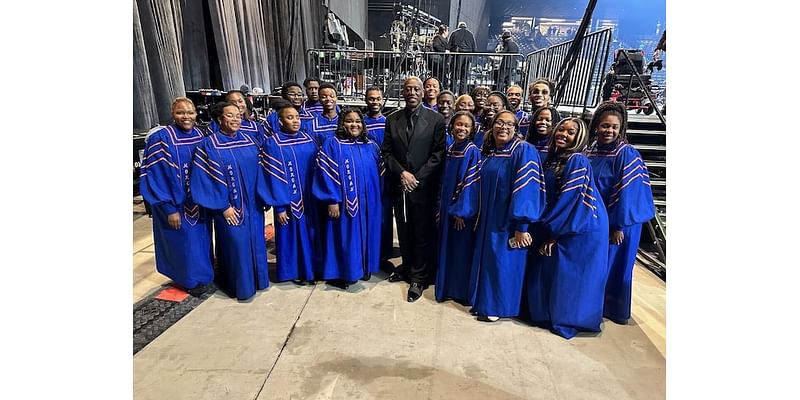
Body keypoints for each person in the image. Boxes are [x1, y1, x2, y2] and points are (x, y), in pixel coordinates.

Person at [525, 117, 609, 339]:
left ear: (579, 138)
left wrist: (555, 233)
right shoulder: (555, 158)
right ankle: (546, 313)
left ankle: (565, 318)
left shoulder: (577, 160)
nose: (563, 134)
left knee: (567, 276)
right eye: (561, 129)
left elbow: (571, 200)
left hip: (578, 227)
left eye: (570, 132)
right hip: (564, 222)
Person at [467, 110, 546, 322]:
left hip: (508, 222)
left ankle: (499, 306)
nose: (503, 127)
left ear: (516, 128)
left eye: (509, 124)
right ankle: (483, 300)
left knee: (503, 262)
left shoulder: (523, 151)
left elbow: (527, 191)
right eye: (499, 123)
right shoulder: (492, 152)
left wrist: (522, 226)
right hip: (489, 220)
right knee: (490, 260)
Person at [190, 102, 272, 301]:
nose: (235, 119)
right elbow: (204, 179)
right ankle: (238, 286)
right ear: (219, 119)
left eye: (238, 115)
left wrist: (264, 196)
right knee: (236, 245)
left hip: (253, 206)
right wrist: (223, 206)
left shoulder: (249, 140)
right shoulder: (209, 145)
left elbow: (261, 171)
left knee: (256, 243)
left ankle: (258, 281)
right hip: (229, 207)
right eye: (230, 115)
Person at [586, 102, 656, 324]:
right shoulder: (590, 151)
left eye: (615, 127)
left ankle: (614, 311)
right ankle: (593, 308)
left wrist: (617, 225)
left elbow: (629, 193)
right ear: (596, 126)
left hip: (620, 223)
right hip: (597, 221)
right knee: (596, 267)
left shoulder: (627, 154)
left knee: (614, 267)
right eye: (605, 126)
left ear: (621, 128)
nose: (610, 131)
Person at [139, 97, 214, 296]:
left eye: (190, 112)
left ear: (196, 114)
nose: (186, 117)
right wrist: (168, 208)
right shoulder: (162, 138)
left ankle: (203, 276)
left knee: (201, 241)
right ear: (173, 114)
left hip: (199, 203)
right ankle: (187, 280)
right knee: (182, 243)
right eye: (180, 113)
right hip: (175, 203)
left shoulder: (200, 134)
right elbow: (156, 175)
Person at [382, 76, 446, 303]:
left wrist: (416, 179)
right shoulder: (392, 120)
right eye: (407, 89)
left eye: (416, 89)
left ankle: (418, 277)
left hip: (423, 187)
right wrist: (402, 174)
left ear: (422, 93)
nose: (411, 92)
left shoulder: (436, 120)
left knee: (421, 232)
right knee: (404, 229)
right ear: (403, 93)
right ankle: (407, 266)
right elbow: (387, 152)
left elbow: (438, 155)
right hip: (400, 185)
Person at [313, 108, 383, 288]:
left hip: (369, 203)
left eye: (358, 121)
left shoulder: (371, 145)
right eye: (350, 121)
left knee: (367, 235)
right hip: (344, 203)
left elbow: (380, 173)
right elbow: (325, 173)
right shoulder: (332, 144)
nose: (354, 125)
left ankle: (364, 267)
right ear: (342, 123)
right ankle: (342, 273)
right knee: (344, 237)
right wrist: (332, 199)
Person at [259, 100, 320, 285]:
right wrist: (279, 207)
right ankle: (294, 271)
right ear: (280, 121)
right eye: (289, 117)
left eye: (297, 117)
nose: (295, 121)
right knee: (290, 237)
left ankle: (312, 270)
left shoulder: (309, 139)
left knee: (311, 235)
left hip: (310, 200)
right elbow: (271, 178)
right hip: (287, 202)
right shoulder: (272, 144)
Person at [435, 111, 481, 304]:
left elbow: (470, 184)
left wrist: (462, 212)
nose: (461, 128)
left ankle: (459, 291)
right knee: (446, 247)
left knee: (460, 250)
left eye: (466, 126)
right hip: (447, 206)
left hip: (460, 212)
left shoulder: (472, 151)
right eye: (458, 125)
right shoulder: (451, 147)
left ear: (472, 130)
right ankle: (445, 287)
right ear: (452, 127)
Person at [363, 87, 394, 272]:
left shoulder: (389, 122)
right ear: (366, 100)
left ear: (383, 100)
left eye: (378, 99)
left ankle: (384, 252)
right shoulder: (361, 123)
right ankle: (368, 250)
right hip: (368, 177)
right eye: (371, 99)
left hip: (387, 175)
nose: (374, 102)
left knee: (385, 215)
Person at [448, 22, 476, 95]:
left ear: (459, 26)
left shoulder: (454, 33)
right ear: (465, 27)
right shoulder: (470, 34)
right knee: (464, 76)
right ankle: (462, 93)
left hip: (457, 56)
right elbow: (474, 48)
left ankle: (452, 92)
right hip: (468, 56)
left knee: (455, 75)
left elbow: (449, 46)